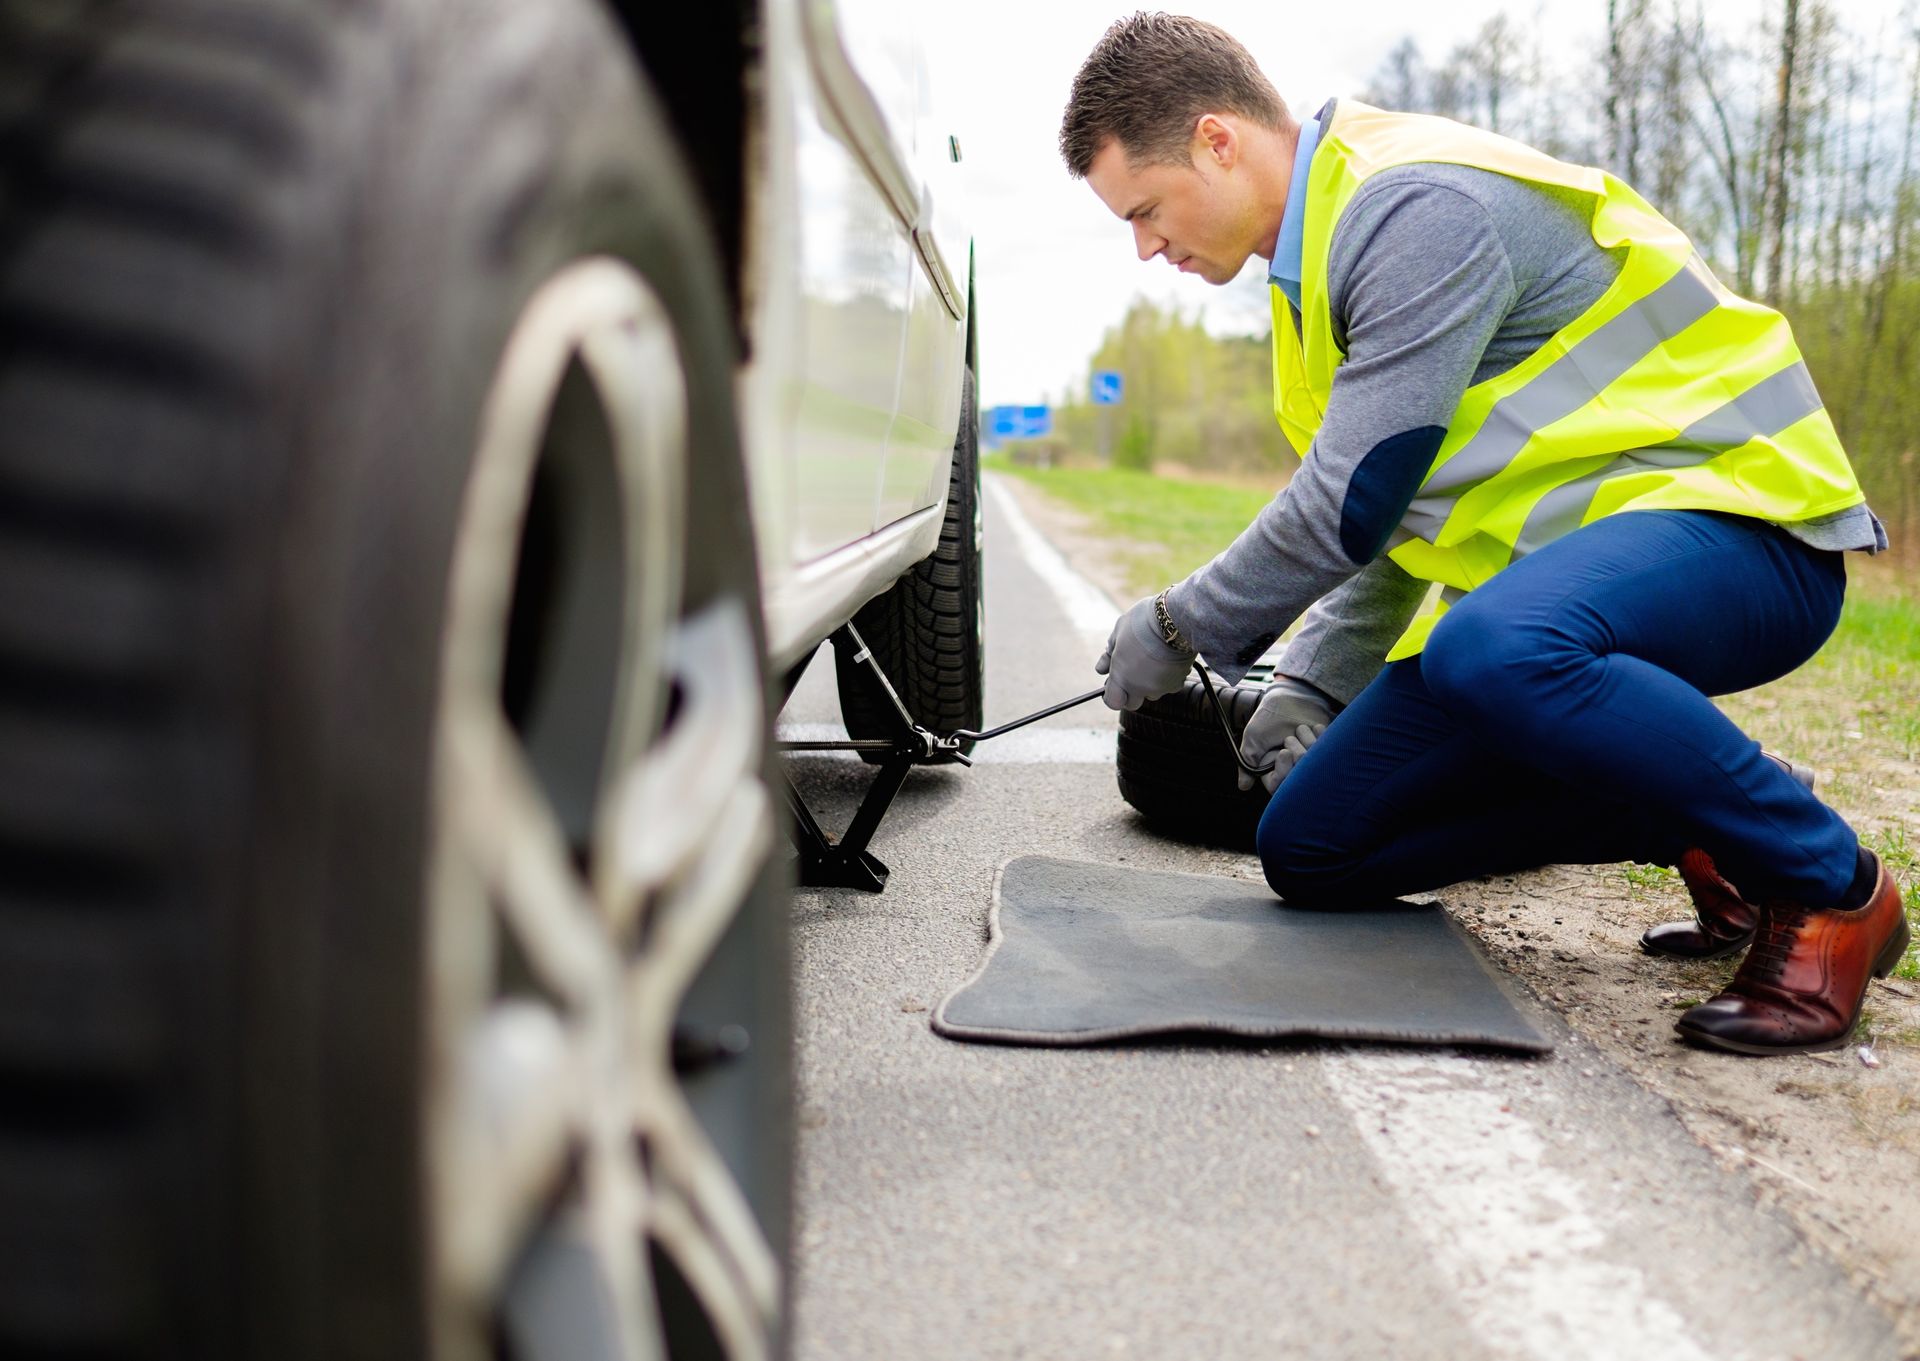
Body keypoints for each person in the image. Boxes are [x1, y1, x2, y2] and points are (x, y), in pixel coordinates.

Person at [1064, 13, 1905, 1056]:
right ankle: (1700, 817)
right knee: (1312, 845)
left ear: (1216, 140)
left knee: (1488, 649)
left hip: (1749, 526)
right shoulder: (1308, 280)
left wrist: (1178, 623)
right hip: (1567, 598)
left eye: (1144, 210)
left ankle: (1832, 884)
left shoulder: (1411, 207)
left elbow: (1350, 500)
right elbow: (1399, 513)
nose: (1146, 245)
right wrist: (1313, 682)